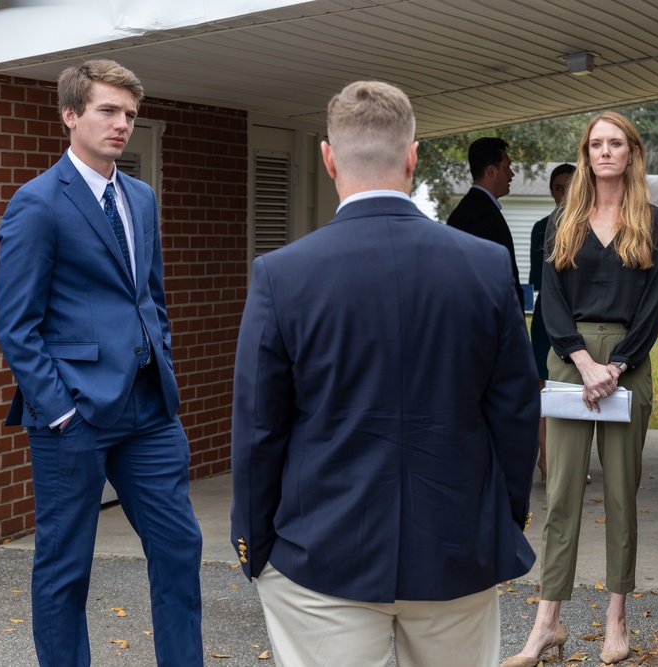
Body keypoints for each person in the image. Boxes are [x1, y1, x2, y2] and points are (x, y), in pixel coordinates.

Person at [230, 81, 540, 667]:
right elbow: (516, 411)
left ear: (327, 158)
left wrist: (256, 545)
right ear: (412, 155)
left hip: (321, 550)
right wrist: (499, 519)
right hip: (454, 546)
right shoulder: (485, 265)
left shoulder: (283, 274)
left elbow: (257, 427)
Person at [0, 60, 203, 666]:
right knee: (65, 568)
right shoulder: (37, 203)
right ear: (71, 115)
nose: (121, 125)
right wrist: (59, 411)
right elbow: (15, 324)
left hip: (149, 412)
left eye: (130, 115)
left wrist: (160, 360)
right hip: (74, 416)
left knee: (179, 548)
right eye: (107, 111)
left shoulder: (140, 198)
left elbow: (150, 298)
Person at [504, 111, 658, 667]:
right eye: (596, 144)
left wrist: (616, 366)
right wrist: (581, 359)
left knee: (622, 496)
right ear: (586, 154)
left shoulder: (656, 221)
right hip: (569, 360)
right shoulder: (561, 221)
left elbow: (652, 307)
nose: (605, 152)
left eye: (615, 143)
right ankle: (547, 623)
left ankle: (616, 622)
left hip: (630, 359)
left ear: (632, 153)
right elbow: (549, 298)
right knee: (561, 498)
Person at [529, 163, 576, 480]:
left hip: (582, 322)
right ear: (551, 192)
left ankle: (571, 463)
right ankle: (546, 461)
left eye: (570, 186)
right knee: (547, 391)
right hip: (549, 319)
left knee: (575, 392)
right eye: (558, 187)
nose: (564, 193)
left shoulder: (595, 226)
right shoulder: (542, 227)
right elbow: (539, 282)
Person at [447, 136, 524, 311]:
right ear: (491, 171)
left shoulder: (471, 209)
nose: (511, 174)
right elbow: (484, 282)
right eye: (507, 168)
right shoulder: (481, 215)